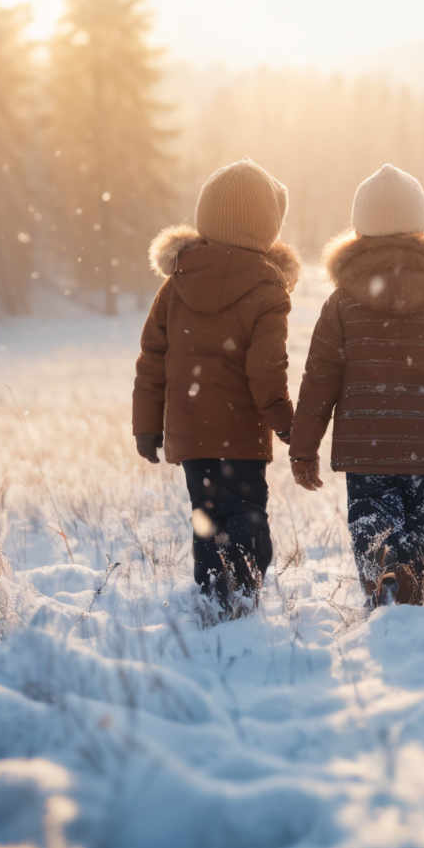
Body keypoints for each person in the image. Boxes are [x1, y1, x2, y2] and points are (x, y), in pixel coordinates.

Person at [290, 164, 424, 608]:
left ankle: (385, 585)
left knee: (372, 521)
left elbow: (319, 379)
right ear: (421, 225)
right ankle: (412, 586)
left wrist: (304, 447)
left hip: (364, 442)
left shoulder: (342, 303)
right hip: (423, 444)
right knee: (417, 523)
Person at [131, 159, 298, 619]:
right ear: (266, 226)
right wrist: (285, 422)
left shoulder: (176, 283)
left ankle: (212, 593)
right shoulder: (268, 288)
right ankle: (243, 589)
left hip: (191, 432)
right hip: (241, 435)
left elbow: (152, 361)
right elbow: (267, 368)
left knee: (206, 515)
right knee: (246, 511)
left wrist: (147, 426)